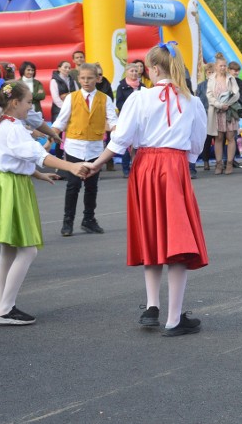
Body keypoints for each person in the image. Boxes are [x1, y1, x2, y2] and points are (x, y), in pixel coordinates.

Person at [84, 42, 208, 336]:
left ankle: (153, 306)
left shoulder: (139, 98)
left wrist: (96, 163)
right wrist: (183, 158)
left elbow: (121, 139)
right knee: (178, 240)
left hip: (145, 167)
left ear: (152, 69)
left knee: (152, 234)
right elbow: (197, 143)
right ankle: (174, 318)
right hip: (173, 167)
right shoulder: (191, 101)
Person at [0, 80, 87, 324]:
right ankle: (5, 309)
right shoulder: (12, 128)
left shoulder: (3, 123)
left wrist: (38, 175)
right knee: (27, 250)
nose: (30, 108)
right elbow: (38, 154)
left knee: (9, 249)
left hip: (7, 183)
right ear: (14, 103)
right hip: (12, 187)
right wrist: (72, 166)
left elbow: (15, 158)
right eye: (28, 103)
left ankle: (2, 304)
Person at [51, 63, 118, 236]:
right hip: (74, 146)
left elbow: (113, 120)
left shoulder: (105, 99)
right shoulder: (71, 98)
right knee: (73, 186)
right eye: (82, 78)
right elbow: (60, 121)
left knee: (91, 186)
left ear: (98, 78)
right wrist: (51, 135)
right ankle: (68, 222)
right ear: (78, 79)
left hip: (95, 148)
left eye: (90, 78)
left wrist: (119, 132)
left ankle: (89, 219)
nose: (86, 81)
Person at [206, 56, 240, 175]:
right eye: (220, 65)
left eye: (224, 65)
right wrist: (219, 105)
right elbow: (209, 95)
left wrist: (227, 104)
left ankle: (229, 163)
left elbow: (236, 94)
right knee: (218, 138)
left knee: (230, 137)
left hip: (229, 111)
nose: (223, 68)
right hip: (217, 112)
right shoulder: (211, 79)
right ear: (216, 66)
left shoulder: (231, 78)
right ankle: (219, 164)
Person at [116, 61, 146, 178]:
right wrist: (130, 110)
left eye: (135, 71)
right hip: (127, 118)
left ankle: (138, 166)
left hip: (140, 118)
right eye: (131, 71)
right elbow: (119, 103)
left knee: (138, 144)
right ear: (126, 72)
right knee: (127, 142)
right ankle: (125, 168)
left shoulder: (142, 86)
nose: (134, 73)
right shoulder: (121, 87)